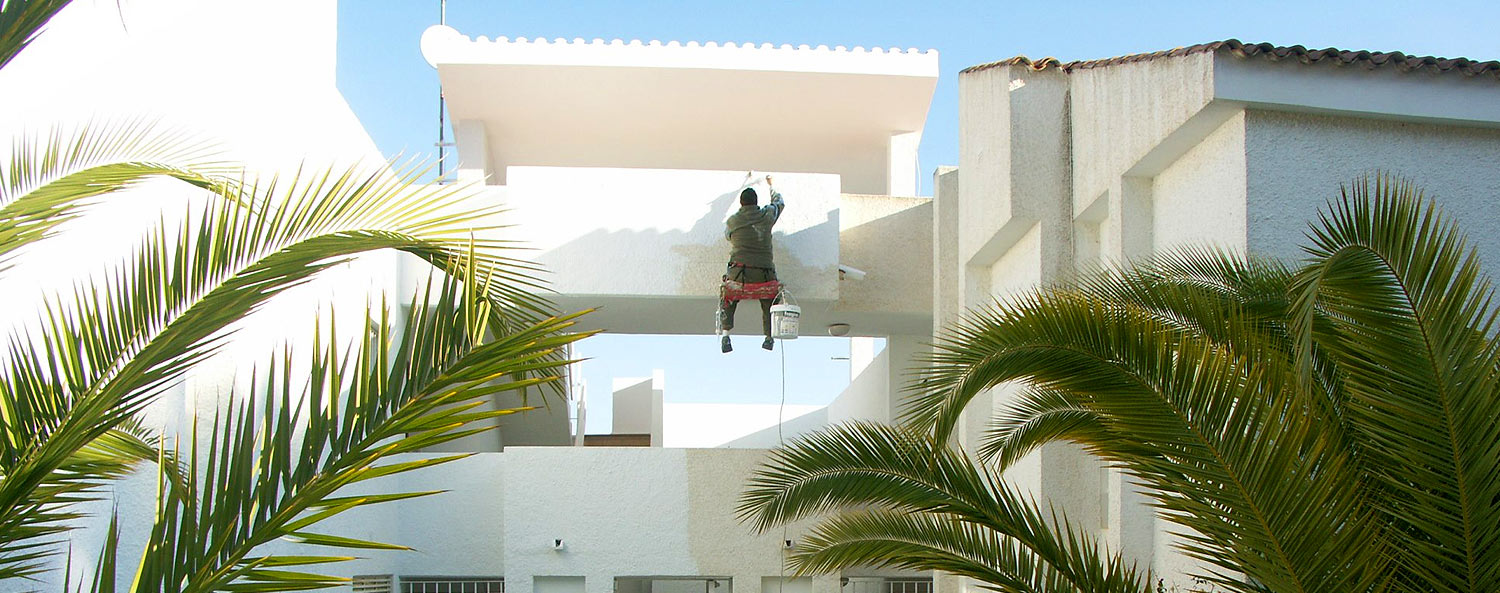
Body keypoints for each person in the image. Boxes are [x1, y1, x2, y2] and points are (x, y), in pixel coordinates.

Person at [721, 177, 785, 353]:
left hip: (738, 273)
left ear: (741, 204)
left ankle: (726, 335)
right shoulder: (767, 215)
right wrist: (772, 186)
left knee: (728, 298)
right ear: (756, 202)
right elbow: (779, 202)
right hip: (764, 274)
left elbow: (728, 236)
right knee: (769, 302)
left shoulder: (733, 221)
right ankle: (768, 337)